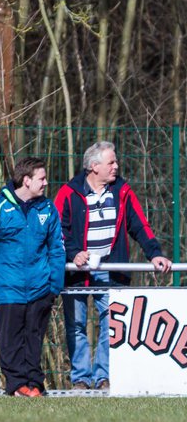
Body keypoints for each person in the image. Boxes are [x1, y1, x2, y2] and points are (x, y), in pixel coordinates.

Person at [53, 141, 172, 390]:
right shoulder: (68, 192)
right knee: (76, 324)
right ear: (94, 166)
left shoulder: (122, 191)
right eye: (111, 162)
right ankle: (81, 378)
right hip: (76, 272)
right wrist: (74, 254)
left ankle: (103, 377)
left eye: (115, 162)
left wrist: (155, 254)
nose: (116, 166)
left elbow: (139, 224)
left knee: (112, 322)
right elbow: (57, 230)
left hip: (111, 269)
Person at [0, 157, 65, 396]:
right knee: (11, 341)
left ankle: (35, 383)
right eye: (42, 178)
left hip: (40, 288)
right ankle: (17, 385)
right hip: (8, 289)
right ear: (26, 180)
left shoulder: (48, 209)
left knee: (34, 340)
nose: (46, 183)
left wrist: (54, 286)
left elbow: (57, 248)